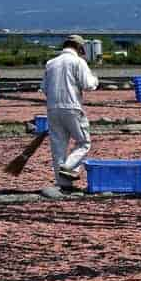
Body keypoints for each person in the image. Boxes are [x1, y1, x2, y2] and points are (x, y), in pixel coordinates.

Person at [42, 34, 99, 188]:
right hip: (72, 107)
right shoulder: (78, 62)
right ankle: (68, 167)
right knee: (84, 143)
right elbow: (88, 85)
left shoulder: (51, 63)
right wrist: (95, 79)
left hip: (52, 108)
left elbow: (44, 88)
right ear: (79, 48)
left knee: (58, 147)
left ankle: (63, 184)